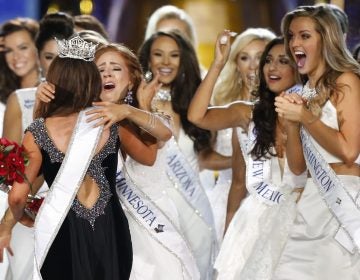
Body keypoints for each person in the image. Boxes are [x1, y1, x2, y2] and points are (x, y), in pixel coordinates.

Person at [3, 34, 170, 280]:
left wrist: (6, 226)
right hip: (112, 230)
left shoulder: (38, 131)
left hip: (62, 232)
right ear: (92, 80)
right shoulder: (110, 119)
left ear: (54, 81)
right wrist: (128, 112)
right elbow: (164, 133)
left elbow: (18, 196)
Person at [272, 5, 360, 279]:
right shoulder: (304, 93)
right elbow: (297, 169)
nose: (295, 43)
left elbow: (348, 150)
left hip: (342, 203)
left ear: (327, 38)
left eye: (305, 36)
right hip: (310, 203)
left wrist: (306, 117)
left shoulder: (346, 81)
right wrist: (291, 125)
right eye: (291, 36)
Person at [136, 30, 230, 279]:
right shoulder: (134, 104)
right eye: (158, 54)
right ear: (147, 59)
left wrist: (238, 161)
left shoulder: (191, 103)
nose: (166, 62)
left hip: (192, 208)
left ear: (183, 60)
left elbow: (202, 157)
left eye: (174, 55)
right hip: (150, 207)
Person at [207, 27, 275, 242]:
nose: (253, 65)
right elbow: (202, 156)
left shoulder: (282, 105)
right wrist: (240, 162)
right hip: (225, 198)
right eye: (245, 58)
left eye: (261, 58)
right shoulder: (220, 102)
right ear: (236, 63)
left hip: (268, 198)